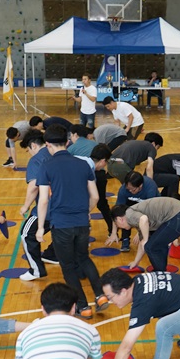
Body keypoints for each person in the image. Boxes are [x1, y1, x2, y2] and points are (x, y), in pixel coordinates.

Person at [36, 125, 110, 320]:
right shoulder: (84, 164)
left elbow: (43, 200)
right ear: (67, 142)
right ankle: (100, 295)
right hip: (82, 222)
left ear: (47, 145)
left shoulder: (46, 166)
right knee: (84, 259)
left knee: (68, 266)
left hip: (61, 225)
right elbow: (94, 196)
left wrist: (40, 227)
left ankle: (84, 307)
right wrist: (85, 211)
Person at [107, 197, 180, 272]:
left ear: (120, 219)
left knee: (151, 246)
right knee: (161, 244)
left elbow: (144, 219)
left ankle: (160, 274)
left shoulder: (129, 214)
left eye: (117, 225)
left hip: (178, 217)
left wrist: (146, 240)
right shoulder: (136, 219)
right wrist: (136, 262)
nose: (120, 227)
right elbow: (142, 244)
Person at [17, 132, 55, 280]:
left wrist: (25, 206)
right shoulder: (57, 153)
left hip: (48, 208)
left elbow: (34, 186)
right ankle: (55, 256)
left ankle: (36, 270)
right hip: (66, 206)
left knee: (27, 235)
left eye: (28, 150)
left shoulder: (36, 160)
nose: (29, 153)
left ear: (33, 145)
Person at [113, 171, 159, 253]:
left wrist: (140, 233)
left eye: (133, 189)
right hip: (132, 203)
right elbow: (117, 212)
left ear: (140, 186)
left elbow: (150, 213)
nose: (130, 191)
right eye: (128, 189)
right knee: (125, 215)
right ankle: (125, 239)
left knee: (153, 225)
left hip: (152, 206)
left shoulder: (150, 188)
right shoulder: (123, 190)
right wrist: (113, 232)